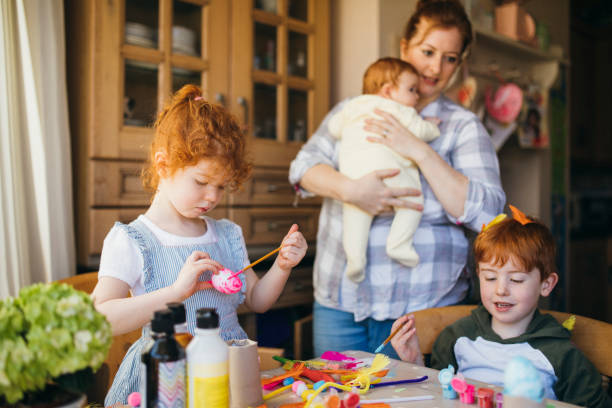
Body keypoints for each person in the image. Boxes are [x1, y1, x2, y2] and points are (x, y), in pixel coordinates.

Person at [289, 0, 505, 358]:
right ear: (405, 47)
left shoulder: (462, 127)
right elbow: (303, 168)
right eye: (428, 51)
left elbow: (489, 216)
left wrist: (419, 150)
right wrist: (353, 191)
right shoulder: (354, 108)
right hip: (340, 298)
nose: (436, 67)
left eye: (450, 58)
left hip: (422, 307)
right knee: (333, 396)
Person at [93, 84, 308, 406]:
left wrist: (283, 265)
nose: (212, 197)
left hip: (229, 372)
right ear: (163, 165)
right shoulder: (131, 239)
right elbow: (101, 318)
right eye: (202, 182)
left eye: (222, 186)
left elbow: (258, 301)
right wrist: (175, 293)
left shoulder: (226, 233)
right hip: (168, 379)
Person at [390, 206, 611, 408]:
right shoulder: (457, 337)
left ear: (546, 284)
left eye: (515, 280)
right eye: (490, 277)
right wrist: (415, 361)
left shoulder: (561, 354)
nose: (501, 290)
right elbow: (438, 396)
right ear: (478, 275)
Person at [329, 57, 440, 282]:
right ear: (388, 91)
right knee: (413, 204)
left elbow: (334, 128)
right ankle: (399, 244)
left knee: (354, 218)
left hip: (356, 179)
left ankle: (355, 261)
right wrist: (433, 126)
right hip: (393, 175)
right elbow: (421, 131)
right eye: (412, 90)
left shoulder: (352, 106)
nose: (417, 96)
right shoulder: (401, 109)